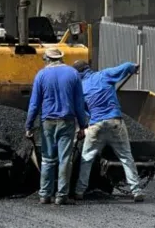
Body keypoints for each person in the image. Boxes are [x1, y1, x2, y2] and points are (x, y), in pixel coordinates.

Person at [72, 60, 145, 203]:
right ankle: (136, 191)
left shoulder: (80, 87)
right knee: (126, 157)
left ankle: (79, 191)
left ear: (79, 73)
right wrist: (132, 67)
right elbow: (123, 68)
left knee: (86, 158)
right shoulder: (104, 75)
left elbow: (82, 110)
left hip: (96, 126)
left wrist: (82, 128)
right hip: (115, 122)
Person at [25, 47, 88, 206]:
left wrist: (29, 125)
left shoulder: (41, 75)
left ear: (47, 59)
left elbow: (34, 104)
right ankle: (62, 196)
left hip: (47, 121)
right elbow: (79, 103)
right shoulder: (73, 74)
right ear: (61, 58)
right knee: (65, 159)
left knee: (47, 159)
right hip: (67, 121)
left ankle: (45, 195)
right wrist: (82, 125)